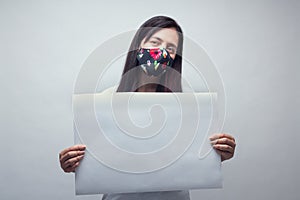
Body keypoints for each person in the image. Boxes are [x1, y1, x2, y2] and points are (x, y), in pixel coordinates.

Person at [59, 16, 236, 200]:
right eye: (155, 42)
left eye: (170, 48)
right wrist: (72, 163)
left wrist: (217, 154)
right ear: (139, 46)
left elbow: (197, 158)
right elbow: (95, 162)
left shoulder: (189, 107)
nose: (161, 52)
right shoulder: (105, 102)